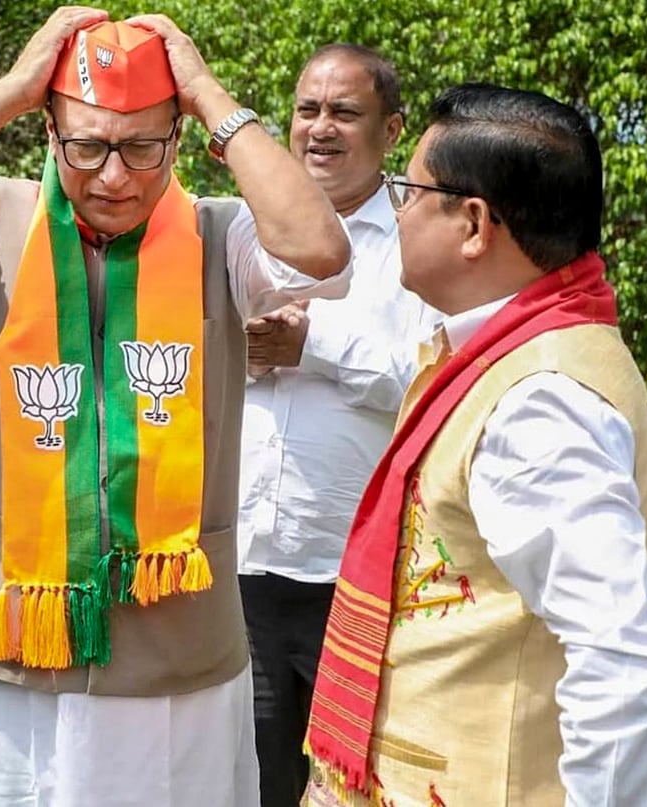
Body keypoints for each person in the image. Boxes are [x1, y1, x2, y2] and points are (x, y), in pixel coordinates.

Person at [0, 8, 352, 806]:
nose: (115, 176)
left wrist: (208, 93)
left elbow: (321, 251)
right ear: (48, 131)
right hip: (3, 643)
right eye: (88, 146)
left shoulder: (222, 236)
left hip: (172, 652)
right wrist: (9, 89)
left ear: (177, 137)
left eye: (144, 146)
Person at [303, 83, 647, 806]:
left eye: (406, 190)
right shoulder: (506, 356)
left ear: (474, 224)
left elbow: (625, 664)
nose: (397, 211)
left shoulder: (540, 400)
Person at [235, 45, 440, 805]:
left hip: (354, 577)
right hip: (241, 562)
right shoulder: (245, 226)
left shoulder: (424, 233)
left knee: (354, 785)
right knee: (249, 779)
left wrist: (311, 345)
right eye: (307, 109)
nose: (320, 129)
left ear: (391, 131)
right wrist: (238, 358)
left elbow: (428, 381)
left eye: (344, 113)